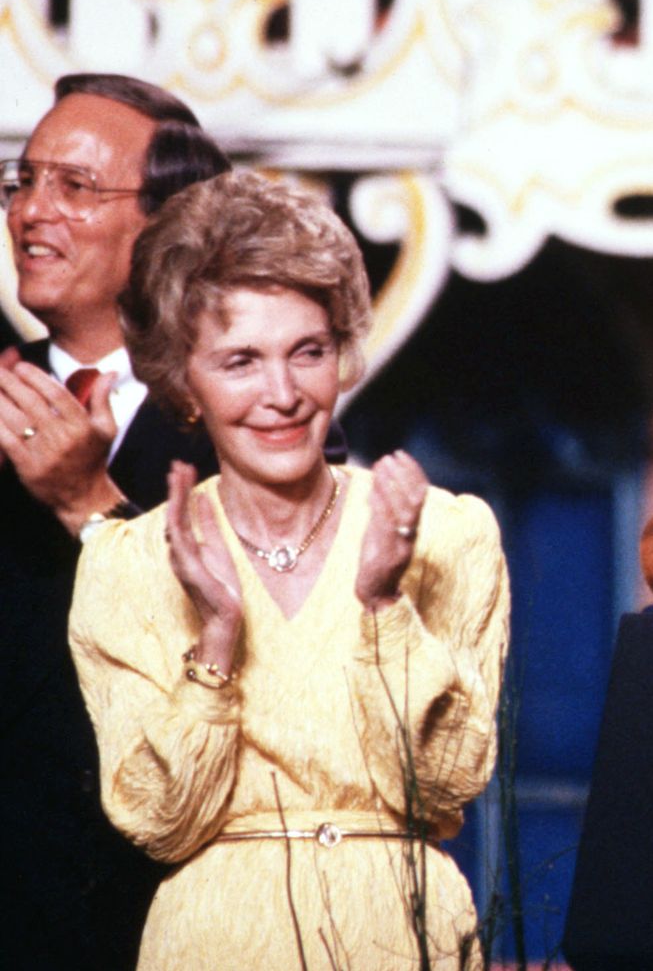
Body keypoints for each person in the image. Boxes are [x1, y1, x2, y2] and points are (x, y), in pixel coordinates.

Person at [67, 171, 509, 968]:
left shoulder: (448, 532)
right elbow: (161, 823)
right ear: (184, 383)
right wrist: (217, 641)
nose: (283, 394)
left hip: (405, 936)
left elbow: (444, 787)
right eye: (240, 361)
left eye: (308, 352)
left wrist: (382, 606)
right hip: (214, 942)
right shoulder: (126, 565)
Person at [0, 73, 229, 968]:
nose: (30, 212)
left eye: (76, 187)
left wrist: (88, 503)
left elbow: (254, 652)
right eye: (23, 181)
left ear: (170, 226)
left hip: (151, 911)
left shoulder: (248, 417)